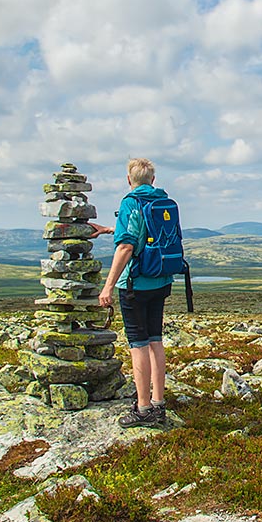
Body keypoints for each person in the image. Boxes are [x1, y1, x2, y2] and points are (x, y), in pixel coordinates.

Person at [89, 158, 174, 428]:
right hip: (160, 280)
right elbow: (144, 233)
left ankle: (143, 408)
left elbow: (126, 247)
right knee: (155, 340)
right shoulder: (161, 202)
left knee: (138, 345)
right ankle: (158, 405)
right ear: (153, 179)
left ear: (129, 180)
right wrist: (109, 229)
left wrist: (108, 286)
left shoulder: (130, 203)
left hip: (135, 285)